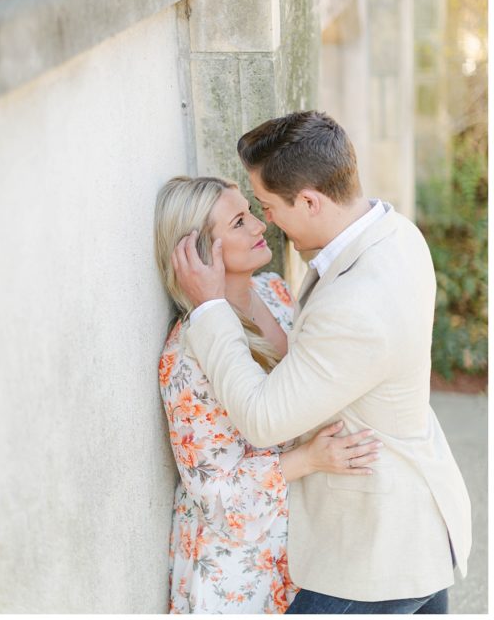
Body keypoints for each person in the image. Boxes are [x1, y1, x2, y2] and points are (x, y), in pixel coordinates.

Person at [171, 112, 471, 613]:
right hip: (405, 535)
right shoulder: (396, 234)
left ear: (310, 200)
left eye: (265, 206)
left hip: (373, 552)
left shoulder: (356, 302)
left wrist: (209, 309)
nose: (267, 222)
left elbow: (265, 419)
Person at [154, 175, 382, 613]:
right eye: (239, 222)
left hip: (300, 546)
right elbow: (215, 496)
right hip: (239, 573)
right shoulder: (185, 359)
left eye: (252, 213)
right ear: (200, 251)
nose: (260, 227)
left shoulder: (274, 292)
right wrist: (310, 459)